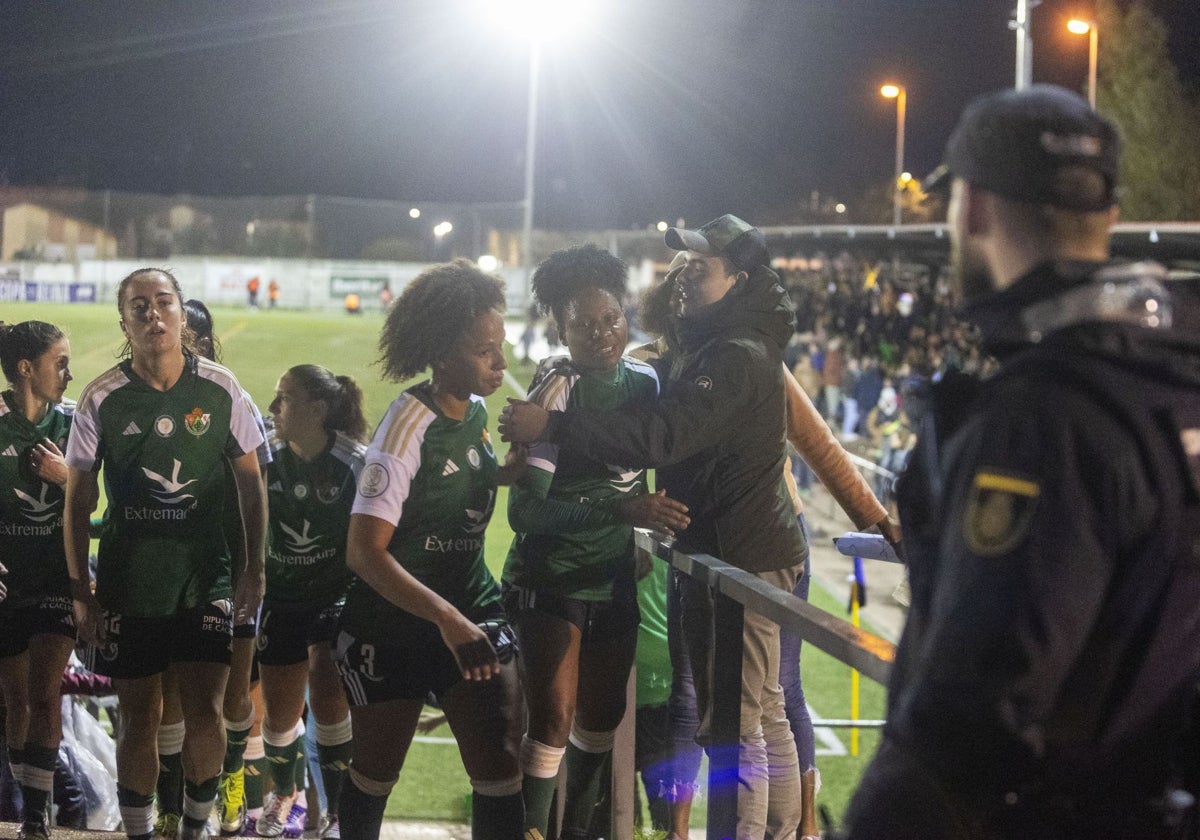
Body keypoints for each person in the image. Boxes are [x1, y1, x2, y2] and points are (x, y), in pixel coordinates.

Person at [845, 85, 1200, 838]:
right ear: (1106, 215)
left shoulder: (1043, 420)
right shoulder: (1173, 376)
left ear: (970, 207)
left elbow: (972, 718)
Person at [501, 215, 808, 840]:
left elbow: (660, 437)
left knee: (738, 722)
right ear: (559, 325)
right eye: (682, 267)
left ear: (739, 279)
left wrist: (557, 432)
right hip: (629, 566)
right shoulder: (690, 351)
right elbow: (527, 506)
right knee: (758, 712)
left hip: (738, 555)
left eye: (702, 268)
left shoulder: (731, 354)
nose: (685, 278)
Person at [64, 267, 268, 840]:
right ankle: (139, 831)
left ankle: (195, 827)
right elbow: (77, 502)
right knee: (139, 717)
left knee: (204, 707)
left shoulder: (222, 389)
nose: (153, 314)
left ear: (182, 312)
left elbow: (252, 483)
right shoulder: (102, 396)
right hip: (131, 583)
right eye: (138, 306)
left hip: (207, 579)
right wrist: (83, 591)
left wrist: (254, 568)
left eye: (162, 302)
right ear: (124, 322)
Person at [501, 245, 690, 840]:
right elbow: (526, 509)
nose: (603, 335)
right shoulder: (557, 387)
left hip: (612, 576)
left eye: (611, 319)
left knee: (602, 721)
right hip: (550, 576)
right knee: (553, 720)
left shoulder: (645, 381)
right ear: (560, 327)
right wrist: (622, 511)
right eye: (584, 325)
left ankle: (577, 830)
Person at [334, 259, 524, 840]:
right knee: (375, 773)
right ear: (442, 352)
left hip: (471, 610)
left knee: (499, 766)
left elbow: (455, 480)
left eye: (500, 344)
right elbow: (365, 553)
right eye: (484, 350)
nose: (502, 362)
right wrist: (445, 618)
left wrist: (527, 464)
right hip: (395, 627)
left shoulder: (478, 411)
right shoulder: (405, 427)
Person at [255, 365, 367, 840]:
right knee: (279, 716)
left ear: (318, 410)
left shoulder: (355, 464)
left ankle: (339, 807)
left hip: (336, 596)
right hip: (280, 596)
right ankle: (284, 792)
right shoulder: (264, 458)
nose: (275, 406)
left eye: (285, 397)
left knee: (325, 687)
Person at [0, 321, 76, 840]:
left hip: (57, 580)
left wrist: (68, 479)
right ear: (27, 369)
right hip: (8, 583)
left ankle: (35, 817)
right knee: (16, 698)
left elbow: (110, 504)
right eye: (60, 363)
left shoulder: (74, 425)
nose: (69, 374)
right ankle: (26, 800)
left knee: (47, 692)